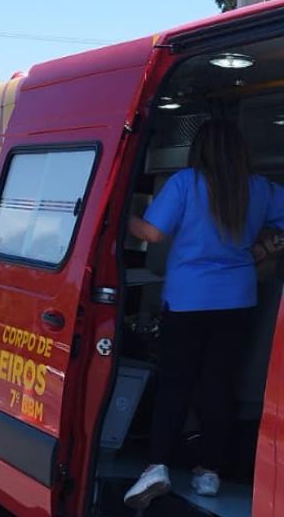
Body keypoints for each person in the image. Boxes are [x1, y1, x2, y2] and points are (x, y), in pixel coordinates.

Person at [123, 119, 284, 509]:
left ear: (201, 150)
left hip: (188, 300)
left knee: (175, 384)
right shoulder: (259, 188)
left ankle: (157, 465)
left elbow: (153, 234)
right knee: (219, 386)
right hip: (238, 301)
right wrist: (263, 249)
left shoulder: (185, 183)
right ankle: (209, 473)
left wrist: (118, 214)